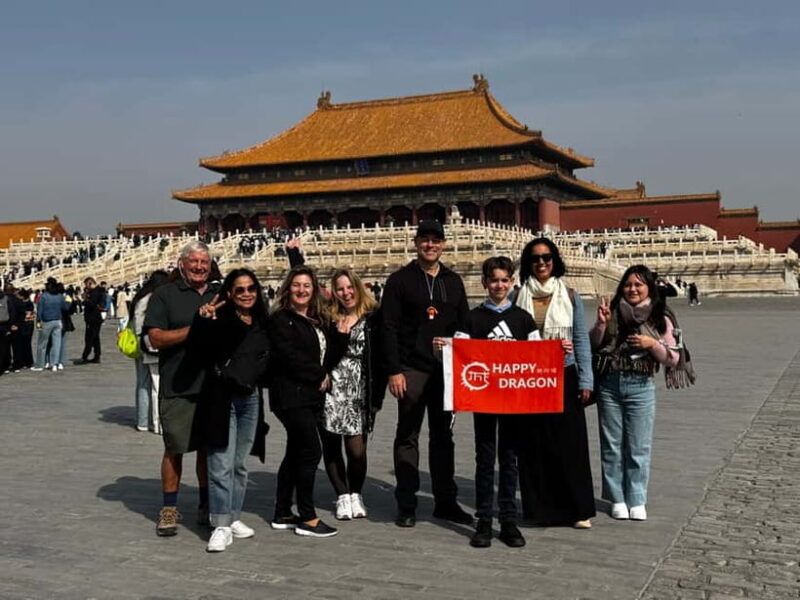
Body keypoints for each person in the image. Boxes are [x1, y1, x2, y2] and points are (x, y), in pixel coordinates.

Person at [381, 220, 472, 528]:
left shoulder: (453, 281)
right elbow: (388, 327)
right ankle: (407, 503)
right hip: (412, 368)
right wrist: (394, 370)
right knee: (408, 435)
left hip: (445, 371)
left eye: (436, 240)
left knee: (443, 436)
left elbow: (464, 326)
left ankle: (445, 502)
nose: (430, 245)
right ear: (416, 242)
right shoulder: (400, 280)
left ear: (443, 244)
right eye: (425, 239)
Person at [590, 265, 691, 521]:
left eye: (638, 284)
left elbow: (674, 357)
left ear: (649, 287)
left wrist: (652, 344)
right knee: (612, 446)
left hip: (641, 386)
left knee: (638, 446)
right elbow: (594, 344)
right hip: (610, 384)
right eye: (628, 284)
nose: (632, 289)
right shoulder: (612, 310)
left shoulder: (660, 316)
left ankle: (636, 498)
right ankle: (617, 498)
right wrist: (601, 324)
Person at [452, 256, 537, 548]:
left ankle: (509, 521)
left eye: (504, 280)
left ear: (512, 282)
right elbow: (459, 356)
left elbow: (536, 357)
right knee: (485, 459)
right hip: (484, 399)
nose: (499, 285)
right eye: (494, 280)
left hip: (513, 400)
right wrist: (444, 348)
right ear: (484, 283)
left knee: (510, 459)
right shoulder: (472, 318)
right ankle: (485, 520)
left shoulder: (523, 319)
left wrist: (558, 351)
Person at [514, 237, 596, 529]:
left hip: (564, 373)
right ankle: (540, 509)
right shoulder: (516, 296)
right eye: (535, 258)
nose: (541, 263)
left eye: (547, 257)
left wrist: (586, 380)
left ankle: (577, 510)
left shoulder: (570, 296)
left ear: (555, 261)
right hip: (529, 378)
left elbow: (580, 339)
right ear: (528, 263)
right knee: (534, 444)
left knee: (570, 444)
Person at [190, 268, 271, 552]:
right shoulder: (219, 319)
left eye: (251, 288)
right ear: (229, 293)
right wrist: (202, 320)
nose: (247, 294)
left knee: (239, 464)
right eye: (240, 290)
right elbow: (198, 350)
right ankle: (221, 523)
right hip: (221, 398)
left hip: (250, 397)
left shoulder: (262, 320)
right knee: (220, 463)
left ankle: (234, 516)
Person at [143, 241, 219, 537]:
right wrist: (194, 329)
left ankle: (205, 504)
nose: (199, 267)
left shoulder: (218, 294)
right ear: (182, 263)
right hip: (178, 383)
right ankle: (169, 508)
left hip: (212, 384)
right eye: (194, 262)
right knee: (174, 447)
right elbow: (155, 338)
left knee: (207, 449)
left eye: (204, 262)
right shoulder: (165, 295)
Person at [268, 265, 347, 538]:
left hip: (311, 396)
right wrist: (318, 375)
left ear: (314, 290)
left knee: (295, 451)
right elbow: (289, 356)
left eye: (306, 286)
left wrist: (342, 336)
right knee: (311, 450)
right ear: (288, 288)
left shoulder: (316, 320)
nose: (301, 290)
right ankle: (307, 516)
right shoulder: (280, 319)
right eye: (296, 285)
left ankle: (282, 512)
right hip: (290, 396)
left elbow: (328, 355)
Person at [322, 268, 385, 520]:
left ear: (358, 287)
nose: (346, 293)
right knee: (331, 444)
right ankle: (342, 495)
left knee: (357, 449)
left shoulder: (373, 316)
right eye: (340, 289)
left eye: (349, 287)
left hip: (361, 388)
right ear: (334, 292)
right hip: (332, 386)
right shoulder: (328, 318)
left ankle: (356, 492)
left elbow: (382, 356)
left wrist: (378, 396)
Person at [130, 270, 169, 434]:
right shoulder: (153, 298)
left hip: (141, 343)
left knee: (143, 383)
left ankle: (143, 421)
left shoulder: (141, 297)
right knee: (156, 385)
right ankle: (157, 422)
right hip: (150, 344)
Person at [32, 278, 68, 373]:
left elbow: (40, 311)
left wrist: (38, 322)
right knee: (57, 344)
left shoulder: (43, 296)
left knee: (42, 344)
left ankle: (40, 364)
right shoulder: (59, 296)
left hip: (47, 321)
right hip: (58, 321)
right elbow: (65, 307)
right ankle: (54, 364)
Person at [79, 277, 105, 364]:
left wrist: (85, 300)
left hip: (93, 318)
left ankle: (85, 356)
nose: (86, 287)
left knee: (89, 338)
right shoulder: (97, 291)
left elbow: (92, 304)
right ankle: (97, 355)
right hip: (95, 318)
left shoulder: (95, 292)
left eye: (86, 284)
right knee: (95, 338)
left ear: (90, 283)